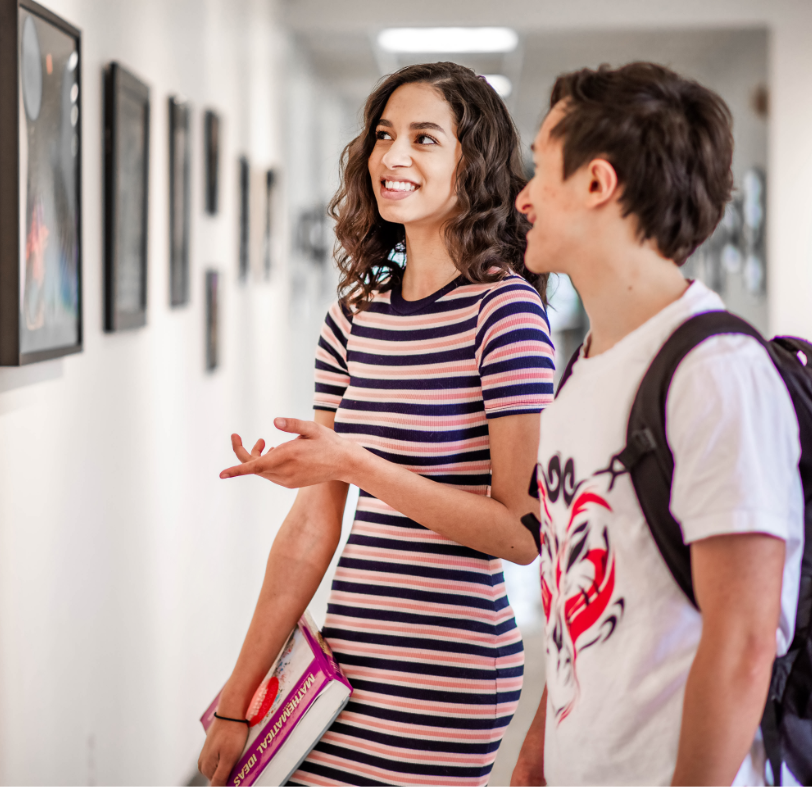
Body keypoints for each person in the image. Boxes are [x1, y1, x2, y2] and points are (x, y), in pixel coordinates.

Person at [197, 62, 556, 787]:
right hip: (343, 662)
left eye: (425, 138)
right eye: (385, 135)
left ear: (473, 162)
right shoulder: (354, 317)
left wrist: (354, 464)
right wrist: (238, 695)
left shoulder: (507, 313)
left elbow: (520, 532)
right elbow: (310, 529)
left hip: (446, 673)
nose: (393, 157)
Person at [507, 63, 803, 787]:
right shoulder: (585, 368)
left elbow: (742, 642)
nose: (522, 199)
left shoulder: (715, 370)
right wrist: (540, 756)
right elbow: (581, 606)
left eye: (541, 168)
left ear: (597, 183)